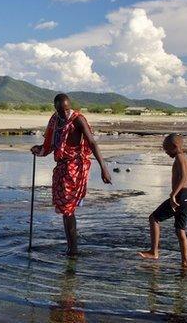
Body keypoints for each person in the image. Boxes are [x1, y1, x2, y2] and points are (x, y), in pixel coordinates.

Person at [31, 94, 112, 256]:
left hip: (76, 167)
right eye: (61, 110)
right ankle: (71, 246)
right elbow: (52, 143)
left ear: (70, 106)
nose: (64, 113)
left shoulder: (78, 119)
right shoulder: (55, 120)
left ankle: (73, 249)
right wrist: (39, 149)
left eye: (66, 109)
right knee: (65, 210)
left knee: (68, 209)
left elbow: (92, 142)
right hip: (61, 166)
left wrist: (104, 168)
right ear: (56, 108)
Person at [139, 133, 187, 267]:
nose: (166, 152)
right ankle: (185, 262)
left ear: (175, 146)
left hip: (181, 195)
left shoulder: (180, 158)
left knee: (154, 218)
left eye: (167, 149)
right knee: (180, 230)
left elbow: (182, 178)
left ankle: (154, 252)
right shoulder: (186, 159)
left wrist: (173, 195)